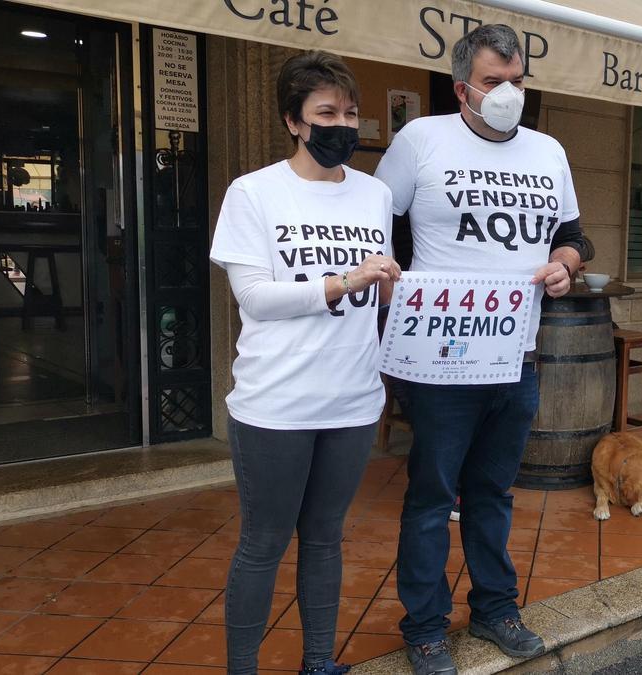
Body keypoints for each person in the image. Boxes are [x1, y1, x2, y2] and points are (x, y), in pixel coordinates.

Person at [374, 24, 586, 675]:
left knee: (493, 493)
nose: (508, 93)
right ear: (463, 87)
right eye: (495, 82)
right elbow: (376, 228)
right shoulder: (420, 141)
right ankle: (427, 626)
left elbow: (575, 236)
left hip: (515, 356)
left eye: (517, 81)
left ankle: (496, 609)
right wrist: (394, 295)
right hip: (438, 360)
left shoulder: (549, 151)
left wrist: (566, 264)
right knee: (432, 494)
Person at [208, 51, 401, 675]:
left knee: (324, 539)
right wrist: (341, 283)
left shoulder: (375, 194)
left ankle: (318, 662)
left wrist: (395, 288)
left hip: (351, 400)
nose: (341, 123)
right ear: (294, 121)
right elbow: (256, 299)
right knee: (263, 544)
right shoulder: (254, 193)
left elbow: (379, 290)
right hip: (275, 404)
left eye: (350, 111)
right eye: (326, 112)